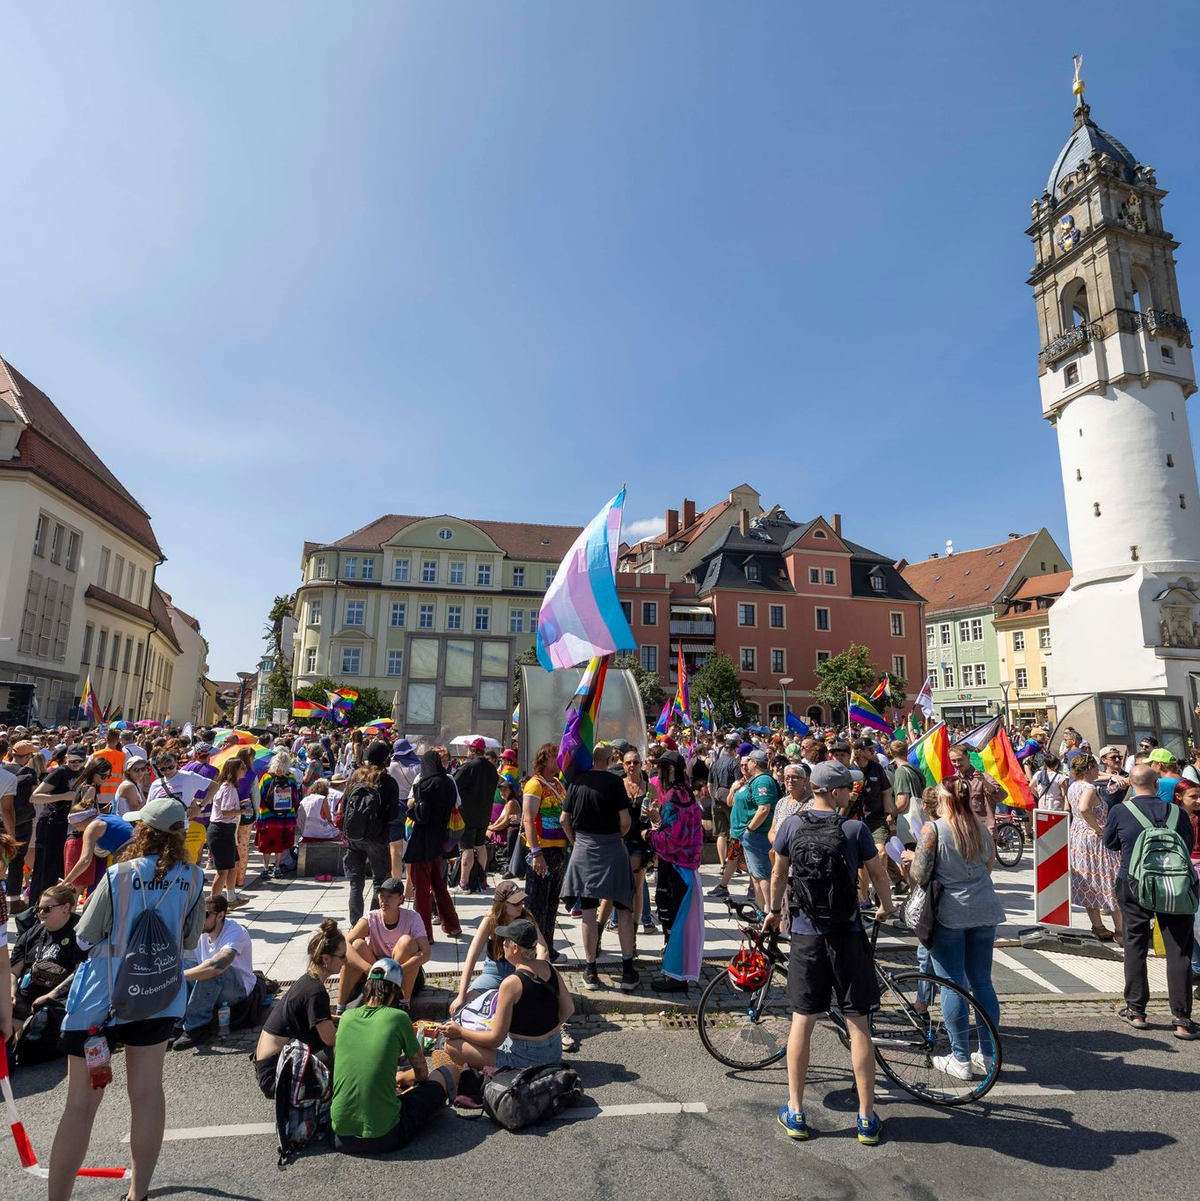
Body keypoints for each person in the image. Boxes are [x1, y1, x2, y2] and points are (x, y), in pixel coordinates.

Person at [49, 797, 204, 1201]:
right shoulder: (194, 877)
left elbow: (84, 938)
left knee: (80, 1106)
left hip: (103, 998)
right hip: (158, 993)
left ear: (143, 832)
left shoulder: (118, 875)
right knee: (148, 1094)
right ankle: (138, 1194)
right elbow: (189, 939)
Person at [765, 761, 895, 1145]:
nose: (851, 794)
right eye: (847, 789)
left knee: (802, 1021)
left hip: (806, 934)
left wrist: (773, 911)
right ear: (836, 792)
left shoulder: (791, 825)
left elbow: (777, 873)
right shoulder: (854, 830)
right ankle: (866, 1118)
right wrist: (885, 906)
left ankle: (796, 1111)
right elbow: (878, 873)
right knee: (858, 1024)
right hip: (847, 934)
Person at [905, 776, 1005, 1080]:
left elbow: (920, 874)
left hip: (949, 912)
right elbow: (988, 868)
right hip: (984, 908)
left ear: (944, 800)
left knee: (952, 984)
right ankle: (988, 1053)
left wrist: (911, 858)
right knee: (982, 983)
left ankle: (960, 1057)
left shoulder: (933, 829)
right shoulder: (979, 829)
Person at [331, 959, 460, 1155]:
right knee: (448, 1072)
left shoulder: (346, 1018)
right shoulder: (398, 1018)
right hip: (384, 1136)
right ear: (393, 991)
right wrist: (400, 1078)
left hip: (339, 1136)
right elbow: (422, 1073)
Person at [1104, 765, 1197, 1038]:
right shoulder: (1177, 812)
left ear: (1131, 784)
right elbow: (1188, 846)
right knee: (1180, 949)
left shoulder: (1120, 811)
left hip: (1134, 884)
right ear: (1157, 785)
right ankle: (1182, 1019)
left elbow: (1110, 843)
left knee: (1135, 943)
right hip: (1175, 885)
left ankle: (1137, 1011)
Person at [438, 918, 574, 1069]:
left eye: (506, 941)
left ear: (515, 948)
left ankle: (488, 1075)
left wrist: (460, 1031)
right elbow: (569, 1009)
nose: (502, 943)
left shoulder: (511, 983)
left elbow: (495, 1039)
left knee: (452, 1045)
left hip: (525, 1059)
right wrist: (543, 1031)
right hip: (554, 1051)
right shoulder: (548, 967)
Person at [561, 743, 638, 993]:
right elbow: (625, 821)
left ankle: (590, 970)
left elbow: (564, 819)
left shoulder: (577, 781)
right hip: (612, 848)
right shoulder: (615, 783)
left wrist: (575, 842)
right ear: (610, 759)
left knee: (587, 912)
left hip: (583, 849)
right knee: (624, 908)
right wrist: (618, 836)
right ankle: (627, 970)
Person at [254, 918, 342, 1096]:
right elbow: (331, 1040)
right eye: (342, 957)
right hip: (275, 1076)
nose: (346, 961)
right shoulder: (315, 992)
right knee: (345, 1049)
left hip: (268, 1066)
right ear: (326, 958)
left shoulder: (308, 980)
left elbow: (320, 1018)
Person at [645, 750, 704, 993]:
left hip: (676, 870)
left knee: (673, 924)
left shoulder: (673, 796)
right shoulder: (687, 792)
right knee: (679, 924)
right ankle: (676, 973)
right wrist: (659, 819)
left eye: (660, 769)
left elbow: (671, 840)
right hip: (687, 868)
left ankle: (675, 979)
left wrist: (648, 834)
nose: (657, 773)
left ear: (669, 770)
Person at [448, 880, 549, 1015]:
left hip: (520, 971)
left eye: (521, 901)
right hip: (493, 972)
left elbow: (543, 949)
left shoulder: (526, 919)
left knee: (532, 1007)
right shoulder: (490, 921)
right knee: (463, 1007)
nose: (520, 906)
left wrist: (537, 976)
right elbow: (472, 956)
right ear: (502, 905)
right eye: (515, 903)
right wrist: (461, 996)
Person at [173, 893, 256, 1050]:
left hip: (238, 989)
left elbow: (218, 965)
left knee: (214, 970)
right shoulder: (200, 933)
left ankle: (196, 1027)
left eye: (204, 915)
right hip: (213, 987)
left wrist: (179, 977)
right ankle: (178, 1023)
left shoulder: (236, 931)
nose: (200, 920)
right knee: (182, 964)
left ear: (220, 916)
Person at [337, 877, 430, 1008]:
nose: (384, 900)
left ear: (400, 899)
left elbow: (426, 953)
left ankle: (403, 1004)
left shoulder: (412, 918)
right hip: (376, 972)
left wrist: (395, 971)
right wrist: (368, 968)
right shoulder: (371, 918)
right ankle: (340, 1008)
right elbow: (344, 943)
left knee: (406, 942)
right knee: (357, 944)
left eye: (389, 896)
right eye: (382, 896)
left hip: (404, 973)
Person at [9, 883, 85, 1043]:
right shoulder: (32, 933)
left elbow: (80, 971)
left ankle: (21, 1038)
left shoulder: (79, 933)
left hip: (55, 1000)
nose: (40, 913)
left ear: (65, 908)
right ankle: (13, 1040)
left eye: (47, 909)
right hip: (25, 998)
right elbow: (13, 971)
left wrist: (51, 995)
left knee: (42, 1019)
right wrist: (10, 993)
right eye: (38, 909)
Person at [403, 749, 461, 941]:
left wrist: (410, 812)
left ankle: (424, 933)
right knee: (439, 885)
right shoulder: (449, 783)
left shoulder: (425, 784)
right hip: (441, 842)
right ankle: (452, 925)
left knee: (421, 890)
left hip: (423, 843)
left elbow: (422, 815)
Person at [1065, 754, 1123, 941]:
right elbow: (1083, 808)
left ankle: (1098, 927)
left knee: (1089, 882)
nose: (1099, 770)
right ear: (1090, 768)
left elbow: (1074, 808)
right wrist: (1098, 828)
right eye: (1096, 767)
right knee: (1110, 880)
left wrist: (1113, 777)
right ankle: (1121, 931)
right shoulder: (1089, 788)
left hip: (1078, 836)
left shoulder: (1073, 785)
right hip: (1095, 840)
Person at [521, 743, 569, 961]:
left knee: (551, 903)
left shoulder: (558, 784)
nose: (559, 761)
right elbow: (528, 819)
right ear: (544, 760)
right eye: (554, 757)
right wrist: (536, 852)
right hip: (542, 851)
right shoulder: (534, 785)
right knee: (535, 903)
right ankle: (532, 948)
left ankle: (547, 945)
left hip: (558, 850)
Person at [28, 744, 86, 903]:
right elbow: (35, 797)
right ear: (66, 757)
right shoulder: (59, 772)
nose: (76, 764)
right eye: (73, 760)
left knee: (60, 870)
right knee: (45, 869)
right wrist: (64, 796)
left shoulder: (82, 772)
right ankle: (36, 907)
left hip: (68, 825)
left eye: (80, 760)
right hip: (51, 823)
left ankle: (52, 906)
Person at [145, 748, 218, 869]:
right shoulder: (156, 784)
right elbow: (149, 807)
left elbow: (214, 786)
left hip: (179, 828)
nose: (167, 771)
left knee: (176, 860)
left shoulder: (188, 777)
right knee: (161, 861)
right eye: (163, 769)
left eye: (170, 767)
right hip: (159, 828)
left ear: (176, 764)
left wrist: (200, 806)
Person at [729, 749, 780, 912]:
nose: (745, 764)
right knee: (756, 877)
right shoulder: (753, 780)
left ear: (755, 763)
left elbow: (764, 808)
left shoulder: (762, 781)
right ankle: (760, 912)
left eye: (748, 761)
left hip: (757, 836)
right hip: (750, 837)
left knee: (763, 876)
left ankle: (771, 914)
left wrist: (749, 830)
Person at [60, 758, 115, 892]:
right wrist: (100, 816)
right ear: (93, 772)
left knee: (77, 886)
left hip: (75, 839)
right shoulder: (90, 789)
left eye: (108, 776)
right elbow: (82, 816)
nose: (105, 779)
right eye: (103, 775)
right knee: (76, 887)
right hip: (79, 839)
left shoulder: (83, 786)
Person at [453, 737, 499, 892]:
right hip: (485, 813)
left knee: (466, 848)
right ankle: (482, 879)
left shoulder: (468, 768)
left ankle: (464, 883)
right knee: (480, 845)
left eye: (468, 749)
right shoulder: (492, 768)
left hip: (467, 814)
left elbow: (454, 787)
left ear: (473, 751)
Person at [61, 802, 134, 892]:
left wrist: (66, 882)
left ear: (81, 820)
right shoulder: (108, 817)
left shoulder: (92, 827)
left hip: (129, 855)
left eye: (76, 826)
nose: (78, 830)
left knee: (99, 898)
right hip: (140, 851)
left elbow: (85, 860)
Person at [3, 739, 40, 910]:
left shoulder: (4, 769)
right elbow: (34, 796)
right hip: (22, 822)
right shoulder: (29, 772)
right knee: (17, 861)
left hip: (3, 823)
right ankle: (14, 900)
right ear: (28, 756)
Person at [206, 756, 247, 904]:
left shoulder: (226, 786)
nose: (245, 770)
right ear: (234, 770)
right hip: (221, 830)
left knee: (232, 865)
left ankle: (231, 898)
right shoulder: (228, 788)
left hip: (225, 830)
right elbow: (225, 811)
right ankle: (212, 903)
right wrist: (242, 811)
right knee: (223, 870)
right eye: (243, 767)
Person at [255, 750, 301, 880]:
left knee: (267, 843)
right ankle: (277, 868)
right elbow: (295, 799)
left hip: (268, 817)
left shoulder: (266, 777)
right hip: (286, 817)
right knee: (280, 843)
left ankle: (265, 868)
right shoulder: (291, 777)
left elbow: (260, 797)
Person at [948, 745, 1006, 833]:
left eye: (960, 760)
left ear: (968, 757)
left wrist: (984, 782)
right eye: (953, 761)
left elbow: (1000, 795)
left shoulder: (983, 777)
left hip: (983, 832)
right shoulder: (952, 780)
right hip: (962, 832)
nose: (957, 764)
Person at [387, 738, 421, 877]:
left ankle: (395, 880)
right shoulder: (419, 766)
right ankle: (410, 882)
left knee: (395, 850)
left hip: (395, 806)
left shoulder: (391, 766)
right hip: (412, 806)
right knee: (412, 847)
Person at [707, 735, 740, 870]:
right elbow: (738, 784)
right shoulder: (735, 763)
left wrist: (714, 796)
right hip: (732, 802)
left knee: (721, 834)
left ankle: (722, 864)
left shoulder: (715, 763)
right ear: (734, 750)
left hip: (716, 801)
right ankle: (734, 863)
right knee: (734, 833)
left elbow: (709, 784)